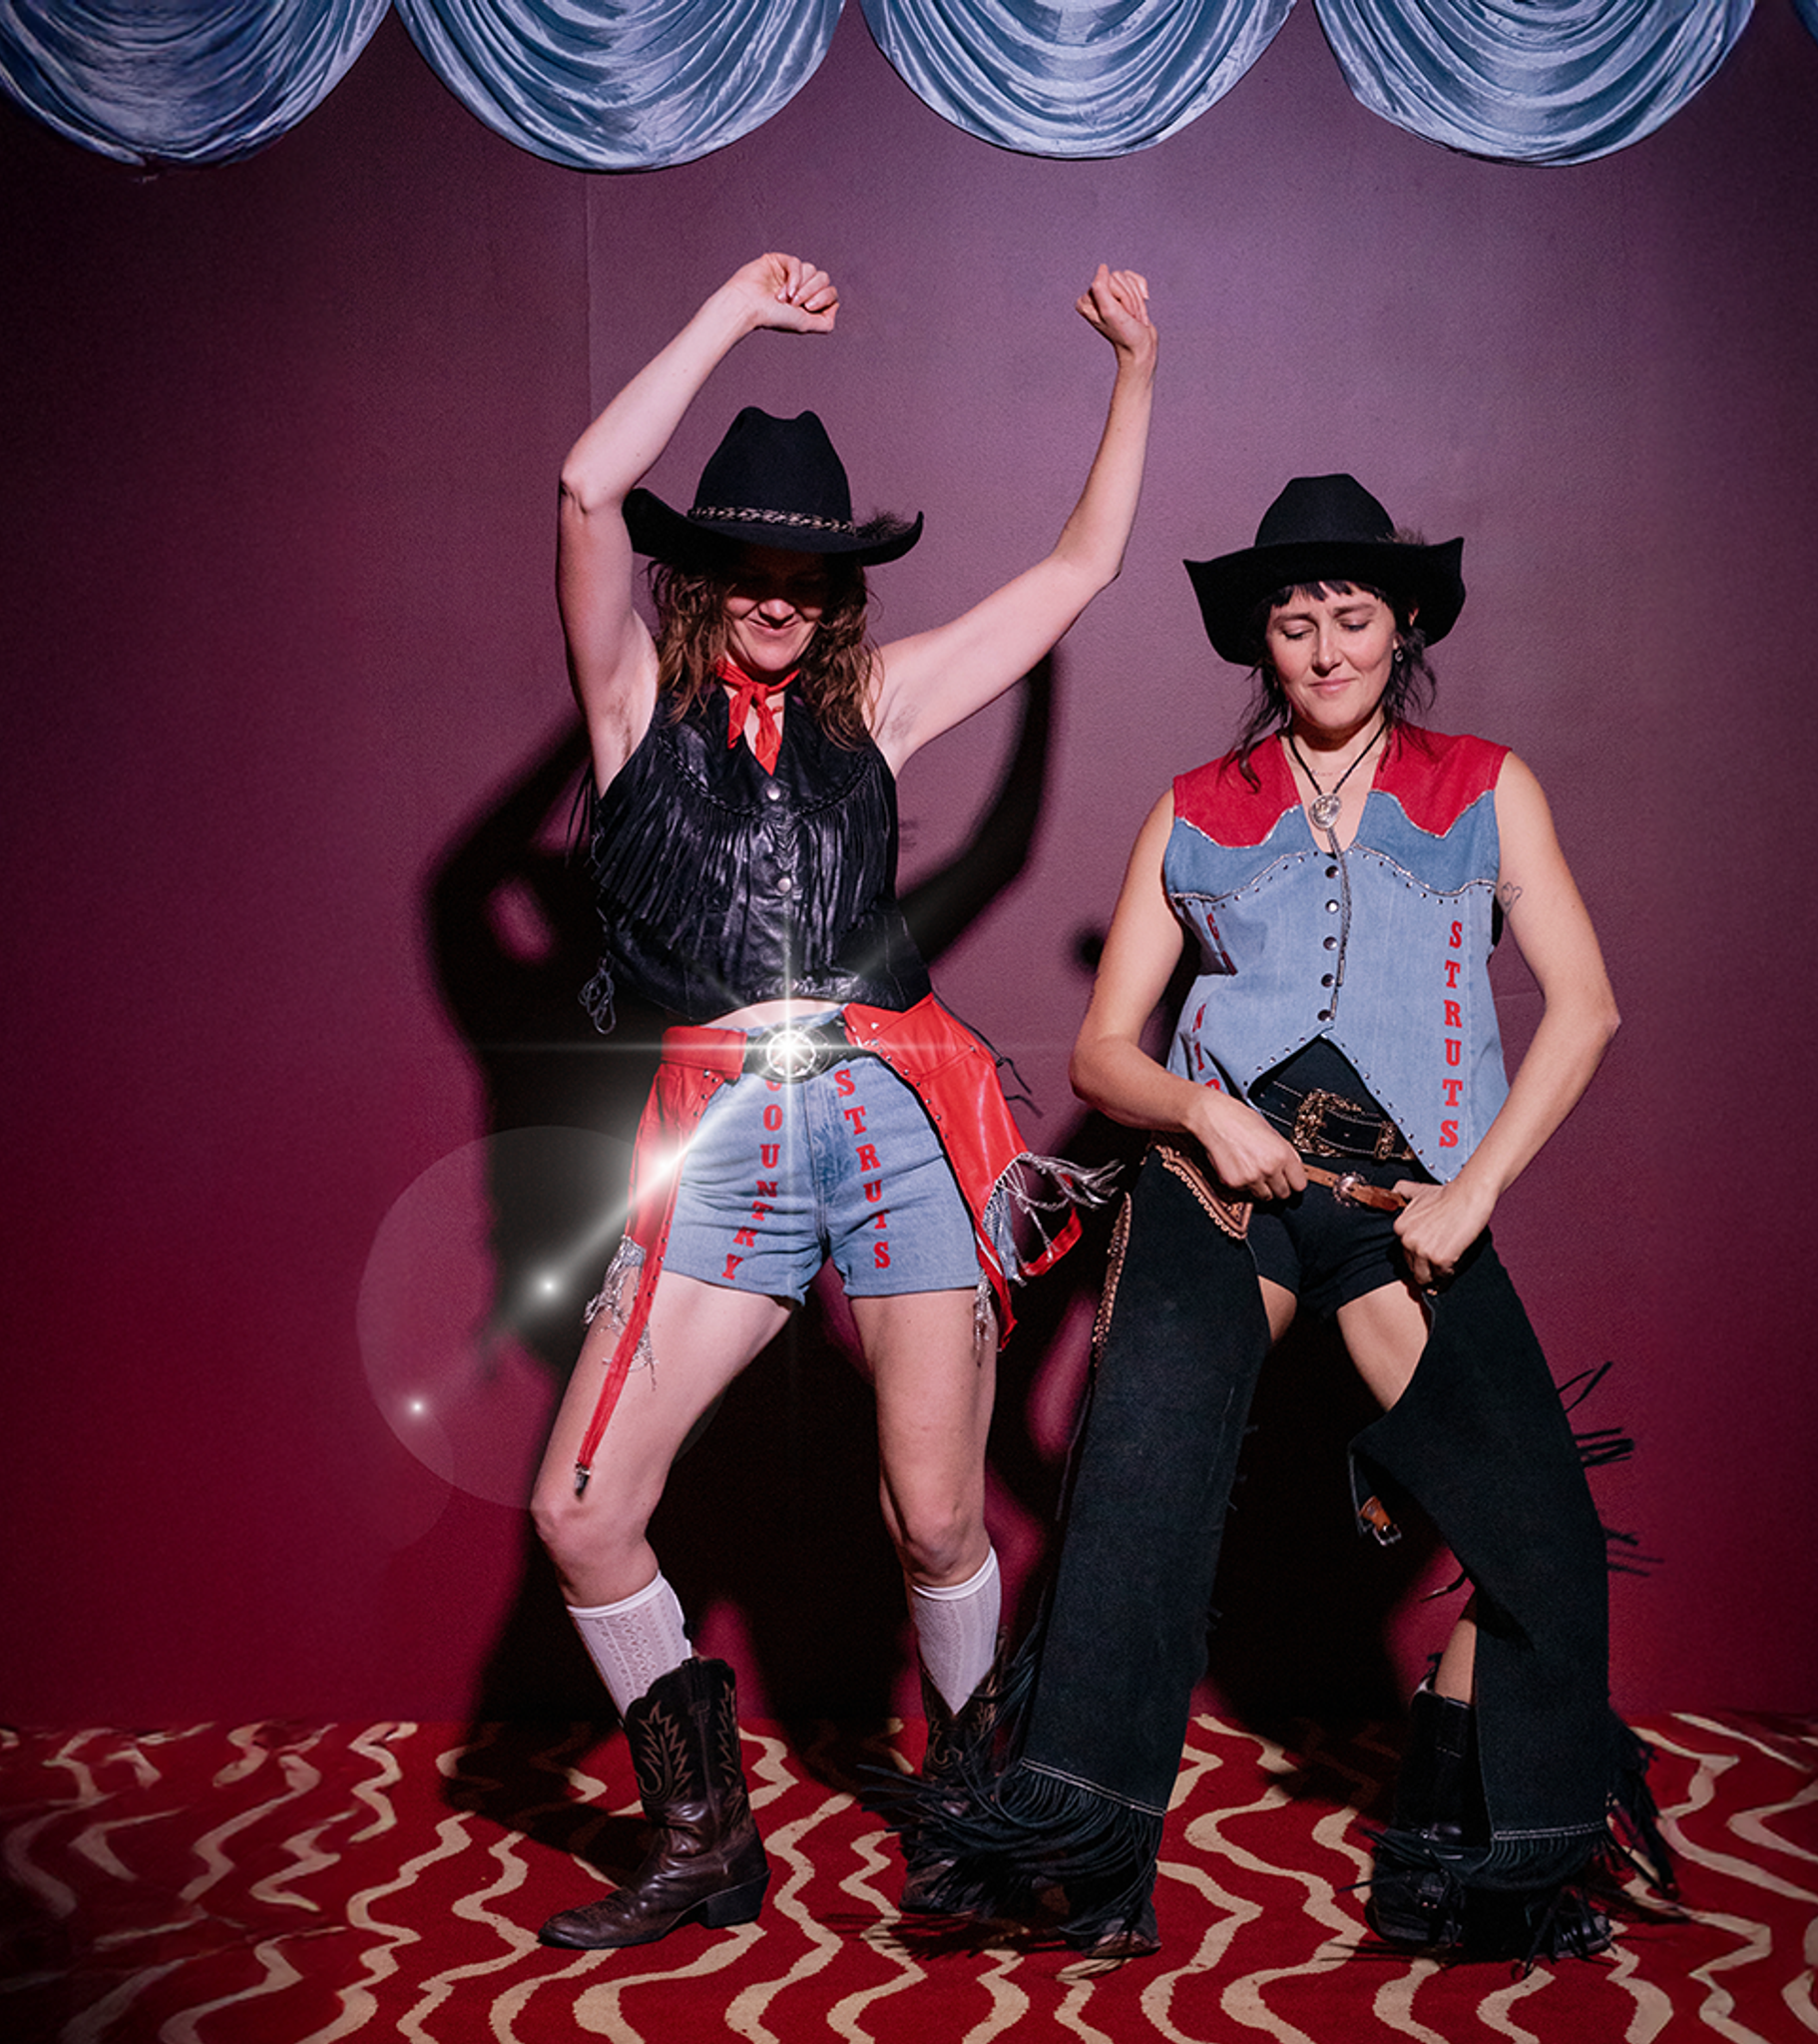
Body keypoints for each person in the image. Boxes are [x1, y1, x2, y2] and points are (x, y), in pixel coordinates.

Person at [885, 473, 1672, 1960]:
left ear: (1405, 624)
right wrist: (1201, 1109)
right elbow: (1106, 1054)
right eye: (1295, 623)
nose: (1324, 649)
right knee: (1136, 1494)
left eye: (1352, 618)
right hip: (1223, 1185)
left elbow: (1587, 1008)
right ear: (1262, 640)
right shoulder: (1195, 808)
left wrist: (1473, 1192)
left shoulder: (1484, 786)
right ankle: (1077, 1855)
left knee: (1546, 1546)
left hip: (1402, 1200)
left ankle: (1458, 1847)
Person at [527, 251, 1157, 1949]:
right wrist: (729, 307)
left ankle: (971, 1814)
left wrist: (1135, 373)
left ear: (839, 591)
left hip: (892, 1122)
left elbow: (1080, 571)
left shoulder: (876, 703)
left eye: (810, 574)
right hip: (720, 1138)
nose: (780, 597)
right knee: (583, 1511)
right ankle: (705, 1836)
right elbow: (588, 486)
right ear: (704, 574)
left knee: (938, 1515)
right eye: (751, 566)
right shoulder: (632, 706)